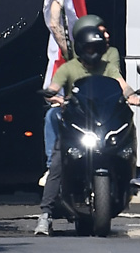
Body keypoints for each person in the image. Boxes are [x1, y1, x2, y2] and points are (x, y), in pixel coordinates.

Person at [35, 15, 137, 236]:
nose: (93, 51)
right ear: (81, 47)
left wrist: (133, 96)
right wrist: (53, 95)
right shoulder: (69, 68)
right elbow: (55, 85)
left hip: (102, 123)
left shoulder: (107, 67)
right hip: (77, 125)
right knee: (58, 160)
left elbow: (122, 85)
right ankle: (45, 215)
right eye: (89, 47)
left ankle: (127, 183)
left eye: (96, 47)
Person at [41, 14, 121, 186]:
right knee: (51, 116)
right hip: (77, 111)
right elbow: (54, 88)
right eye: (99, 32)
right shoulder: (70, 64)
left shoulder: (110, 58)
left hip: (103, 110)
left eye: (103, 33)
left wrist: (133, 96)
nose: (104, 36)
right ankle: (52, 165)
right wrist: (56, 97)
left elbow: (120, 82)